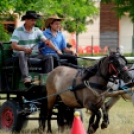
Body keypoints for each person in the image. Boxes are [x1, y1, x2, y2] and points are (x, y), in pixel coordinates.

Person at [10, 11, 62, 85]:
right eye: (32, 20)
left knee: (49, 57)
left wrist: (57, 50)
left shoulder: (37, 30)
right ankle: (26, 78)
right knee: (22, 53)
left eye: (35, 20)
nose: (34, 22)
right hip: (21, 55)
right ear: (26, 20)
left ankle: (47, 79)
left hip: (34, 54)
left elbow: (47, 42)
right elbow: (13, 45)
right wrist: (25, 49)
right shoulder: (18, 31)